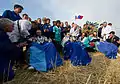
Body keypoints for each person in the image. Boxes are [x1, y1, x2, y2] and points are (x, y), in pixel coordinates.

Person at [0, 18, 21, 82]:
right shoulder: (2, 35)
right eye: (12, 26)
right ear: (6, 27)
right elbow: (8, 49)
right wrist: (18, 47)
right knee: (8, 76)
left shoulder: (3, 34)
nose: (14, 28)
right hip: (2, 61)